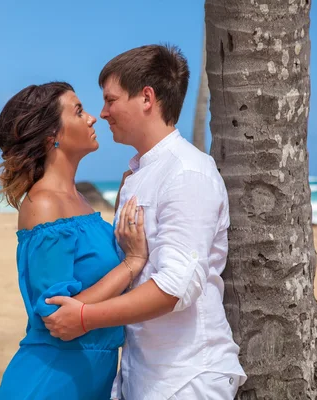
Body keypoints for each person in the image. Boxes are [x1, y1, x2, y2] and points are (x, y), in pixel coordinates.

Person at [43, 45, 247, 399]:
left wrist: (85, 317)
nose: (103, 113)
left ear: (147, 98)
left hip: (187, 376)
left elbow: (175, 287)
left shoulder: (187, 171)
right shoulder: (139, 174)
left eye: (111, 100)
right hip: (145, 374)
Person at [0, 82, 150, 399]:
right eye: (78, 111)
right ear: (52, 134)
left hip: (89, 376)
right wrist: (132, 264)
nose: (93, 118)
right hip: (51, 380)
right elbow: (55, 314)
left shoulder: (77, 200)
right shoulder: (45, 205)